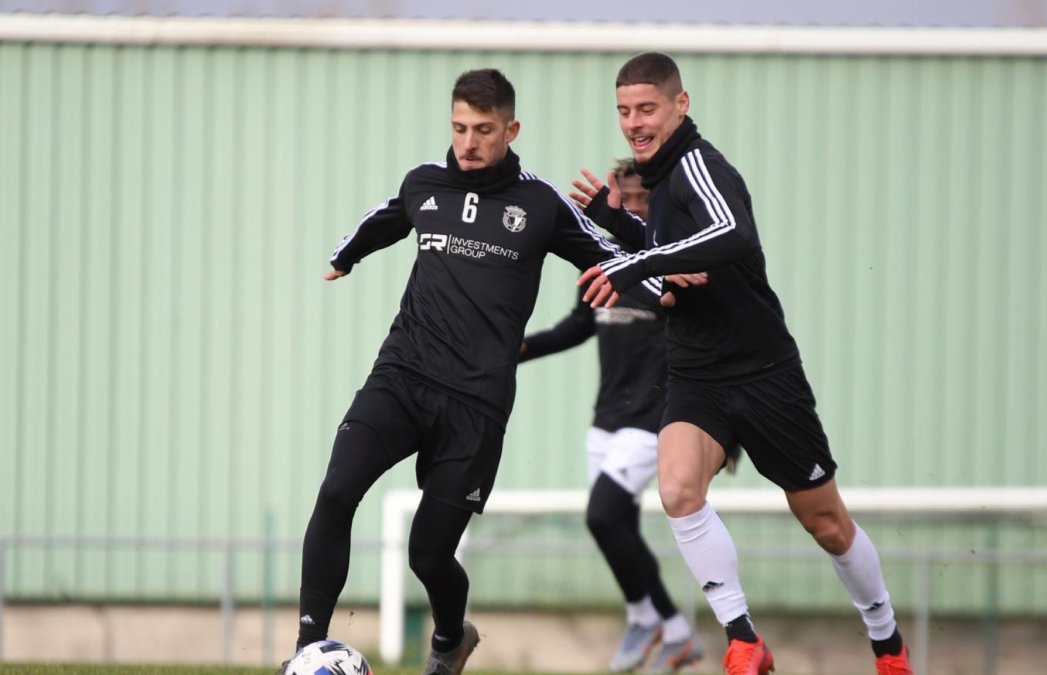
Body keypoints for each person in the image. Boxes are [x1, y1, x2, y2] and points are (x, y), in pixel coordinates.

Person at [286, 68, 662, 675]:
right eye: (459, 127)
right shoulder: (425, 184)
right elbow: (387, 218)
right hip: (401, 377)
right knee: (335, 493)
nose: (468, 142)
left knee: (429, 554)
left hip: (475, 404)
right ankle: (307, 652)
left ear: (511, 129)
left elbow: (629, 259)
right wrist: (345, 257)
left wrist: (665, 268)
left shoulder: (541, 205)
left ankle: (450, 640)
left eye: (484, 130)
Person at [573, 52, 914, 675]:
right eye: (623, 111)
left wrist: (635, 261)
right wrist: (618, 225)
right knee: (677, 490)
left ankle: (887, 641)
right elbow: (673, 276)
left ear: (682, 104)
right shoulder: (658, 186)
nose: (633, 123)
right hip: (697, 374)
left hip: (765, 375)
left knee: (827, 524)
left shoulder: (700, 164)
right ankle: (743, 639)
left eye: (646, 108)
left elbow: (734, 235)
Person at [519, 160, 704, 673]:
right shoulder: (600, 265)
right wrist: (521, 347)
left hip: (654, 419)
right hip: (606, 418)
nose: (633, 210)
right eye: (626, 201)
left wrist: (726, 431)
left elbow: (715, 339)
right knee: (614, 526)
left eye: (643, 201)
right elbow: (580, 326)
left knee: (601, 513)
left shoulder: (677, 267)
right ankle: (674, 629)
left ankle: (644, 617)